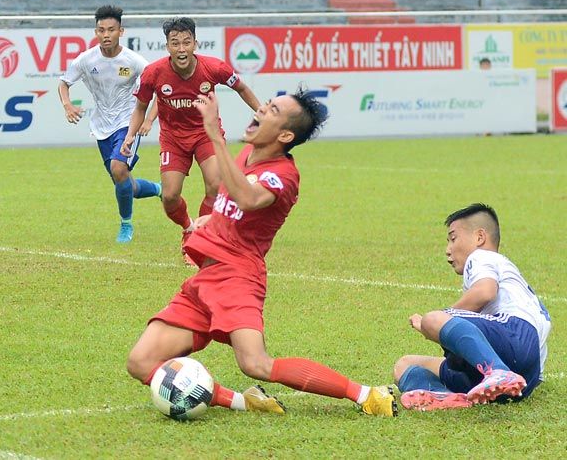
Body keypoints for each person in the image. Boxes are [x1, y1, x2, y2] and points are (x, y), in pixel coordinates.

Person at [126, 88, 398, 417]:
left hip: (237, 276)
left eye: (272, 110)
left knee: (255, 363)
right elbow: (236, 202)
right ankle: (245, 402)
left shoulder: (284, 175)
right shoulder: (246, 155)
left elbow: (250, 199)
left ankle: (368, 395)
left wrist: (214, 134)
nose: (261, 108)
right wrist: (213, 218)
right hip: (206, 277)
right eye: (266, 104)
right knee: (140, 362)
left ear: (284, 134)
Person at [122, 17, 262, 262]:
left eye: (186, 42)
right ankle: (188, 228)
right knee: (170, 196)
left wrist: (261, 114)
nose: (181, 48)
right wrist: (130, 135)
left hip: (206, 134)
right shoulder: (153, 73)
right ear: (167, 47)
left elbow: (242, 88)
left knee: (215, 185)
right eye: (175, 43)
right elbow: (140, 107)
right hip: (173, 139)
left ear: (195, 44)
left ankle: (202, 237)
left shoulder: (215, 68)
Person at [393, 204, 551, 411]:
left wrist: (436, 323)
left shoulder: (482, 256)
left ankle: (498, 372)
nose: (447, 249)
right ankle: (446, 396)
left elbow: (485, 291)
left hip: (512, 338)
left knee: (434, 318)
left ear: (479, 238)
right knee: (404, 364)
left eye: (453, 238)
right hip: (525, 380)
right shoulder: (516, 286)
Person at [58, 5, 162, 243]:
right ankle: (159, 189)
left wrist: (147, 119)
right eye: (101, 30)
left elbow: (160, 89)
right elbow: (63, 83)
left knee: (118, 169)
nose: (106, 35)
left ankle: (126, 226)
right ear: (96, 32)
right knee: (124, 182)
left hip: (128, 124)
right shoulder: (86, 60)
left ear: (121, 31)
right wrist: (67, 105)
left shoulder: (134, 61)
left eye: (111, 30)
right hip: (101, 127)